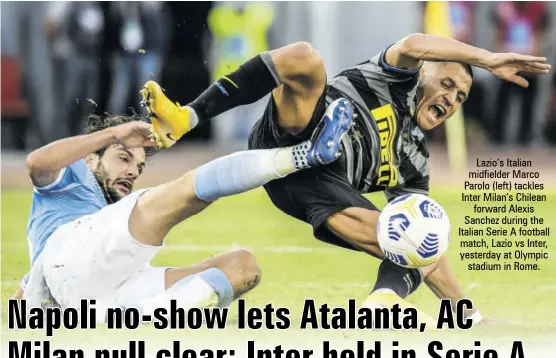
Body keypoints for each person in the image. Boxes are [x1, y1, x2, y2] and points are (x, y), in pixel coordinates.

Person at [142, 33, 550, 324]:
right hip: (291, 132)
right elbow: (412, 44)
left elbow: (421, 248)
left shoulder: (414, 160)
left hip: (317, 187)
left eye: (460, 98)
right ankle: (187, 116)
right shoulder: (396, 77)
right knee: (304, 59)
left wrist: (468, 315)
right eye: (446, 84)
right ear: (423, 75)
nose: (451, 99)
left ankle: (382, 303)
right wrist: (486, 58)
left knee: (422, 234)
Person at [16, 101, 353, 317]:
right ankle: (301, 156)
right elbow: (36, 162)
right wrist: (118, 132)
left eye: (137, 166)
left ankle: (145, 317)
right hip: (72, 268)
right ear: (90, 159)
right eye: (122, 158)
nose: (132, 171)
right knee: (180, 193)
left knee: (242, 267)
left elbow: (30, 288)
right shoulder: (72, 176)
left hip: (99, 297)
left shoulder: (108, 221)